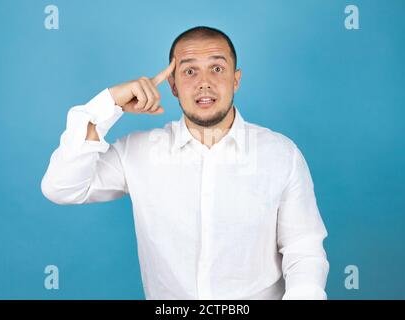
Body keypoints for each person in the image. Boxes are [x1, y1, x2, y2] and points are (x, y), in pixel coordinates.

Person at [41, 26, 329, 300]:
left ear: (236, 80)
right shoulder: (137, 152)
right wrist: (109, 103)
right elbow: (63, 188)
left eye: (217, 68)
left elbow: (303, 249)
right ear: (173, 85)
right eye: (189, 71)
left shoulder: (281, 154)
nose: (204, 82)